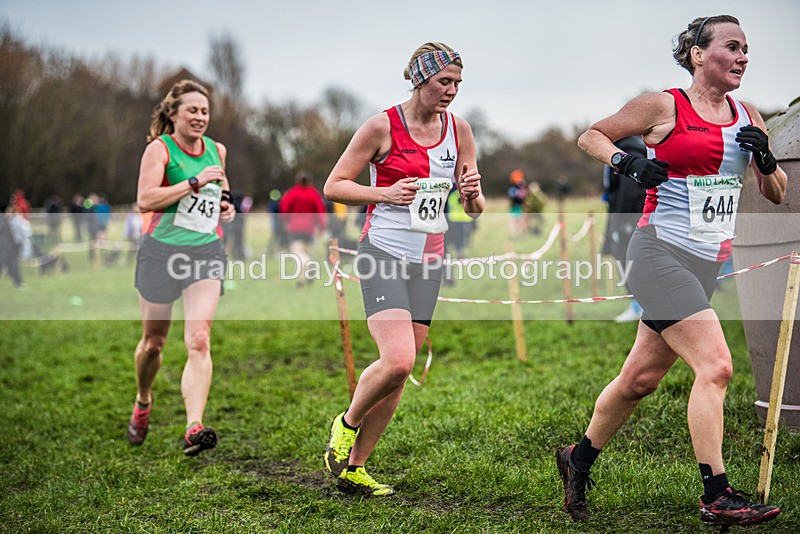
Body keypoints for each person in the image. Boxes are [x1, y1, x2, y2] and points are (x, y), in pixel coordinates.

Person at [557, 16, 786, 527]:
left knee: (639, 379)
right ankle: (717, 494)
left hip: (706, 263)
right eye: (732, 46)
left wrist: (765, 159)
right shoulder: (663, 106)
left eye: (747, 48)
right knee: (718, 366)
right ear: (699, 55)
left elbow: (777, 194)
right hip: (657, 253)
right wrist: (628, 163)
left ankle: (578, 459)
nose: (744, 56)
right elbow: (590, 136)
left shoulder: (749, 114)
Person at [322, 42, 484, 496]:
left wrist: (471, 193)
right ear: (419, 79)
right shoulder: (381, 126)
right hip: (383, 252)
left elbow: (474, 209)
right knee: (398, 361)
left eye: (457, 83)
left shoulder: (460, 130)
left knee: (398, 377)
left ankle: (354, 467)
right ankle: (346, 422)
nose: (451, 91)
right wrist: (386, 194)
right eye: (443, 81)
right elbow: (334, 185)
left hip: (430, 260)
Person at [127, 79, 236, 457]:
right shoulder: (161, 150)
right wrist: (191, 182)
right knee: (154, 344)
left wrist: (226, 206)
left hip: (206, 252)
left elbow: (221, 192)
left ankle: (194, 426)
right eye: (192, 110)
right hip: (161, 253)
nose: (200, 117)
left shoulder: (217, 150)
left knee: (199, 339)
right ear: (172, 114)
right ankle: (143, 400)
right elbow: (145, 199)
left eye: (205, 111)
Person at [602, 136, 647, 322]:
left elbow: (630, 189)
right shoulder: (620, 148)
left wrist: (622, 221)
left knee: (630, 261)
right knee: (625, 260)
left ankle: (642, 306)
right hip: (622, 214)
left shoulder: (629, 149)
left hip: (629, 217)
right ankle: (637, 305)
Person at [279, 171, 327, 285]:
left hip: (295, 226)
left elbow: (284, 208)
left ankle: (309, 265)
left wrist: (284, 221)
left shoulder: (292, 193)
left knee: (297, 253)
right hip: (309, 227)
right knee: (304, 251)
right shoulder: (314, 193)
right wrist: (321, 226)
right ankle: (301, 280)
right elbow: (320, 210)